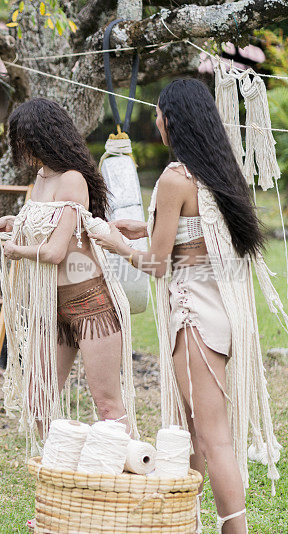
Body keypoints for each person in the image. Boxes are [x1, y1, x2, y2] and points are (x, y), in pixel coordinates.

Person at [90, 78, 285, 533]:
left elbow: (157, 265)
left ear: (172, 120)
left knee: (213, 439)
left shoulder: (174, 179)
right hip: (220, 311)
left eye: (159, 113)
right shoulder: (218, 171)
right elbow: (191, 236)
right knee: (197, 433)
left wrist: (115, 241)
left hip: (193, 316)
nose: (155, 120)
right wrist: (145, 225)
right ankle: (187, 523)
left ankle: (233, 531)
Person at [0, 98, 138, 452]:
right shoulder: (40, 178)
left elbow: (54, 252)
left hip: (90, 303)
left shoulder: (73, 180)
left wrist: (16, 251)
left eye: (25, 140)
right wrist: (14, 224)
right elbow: (41, 223)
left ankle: (126, 476)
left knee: (107, 406)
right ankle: (70, 470)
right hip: (52, 306)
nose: (22, 149)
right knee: (38, 401)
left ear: (44, 138)